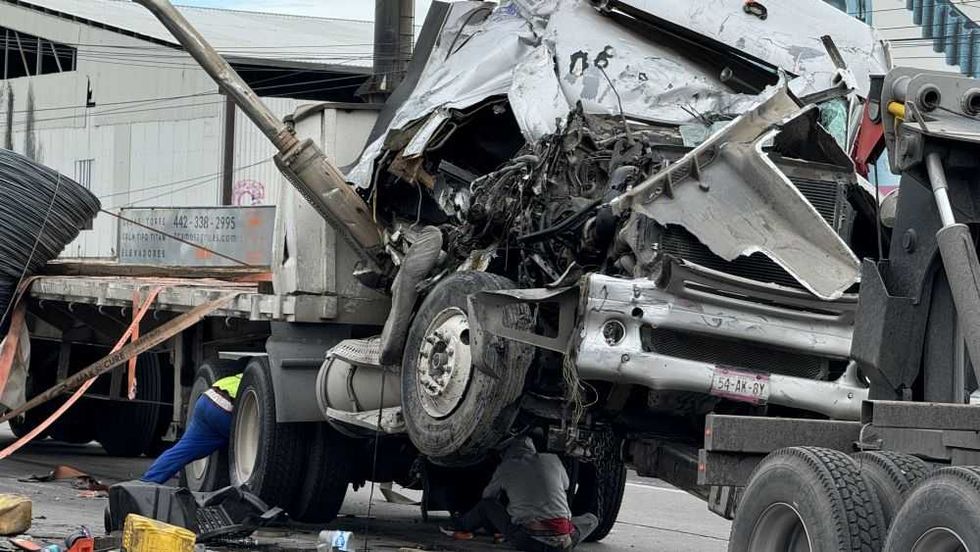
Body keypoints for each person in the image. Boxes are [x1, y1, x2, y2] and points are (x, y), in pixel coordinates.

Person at [443, 436, 599, 551]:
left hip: (528, 540)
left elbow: (487, 497)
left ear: (505, 453)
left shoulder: (506, 466)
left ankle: (459, 526)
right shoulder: (552, 459)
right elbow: (565, 485)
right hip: (565, 541)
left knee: (486, 506)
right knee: (591, 519)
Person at [141, 373, 241, 485]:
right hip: (227, 407)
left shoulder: (243, 373)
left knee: (181, 452)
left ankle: (145, 483)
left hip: (207, 399)